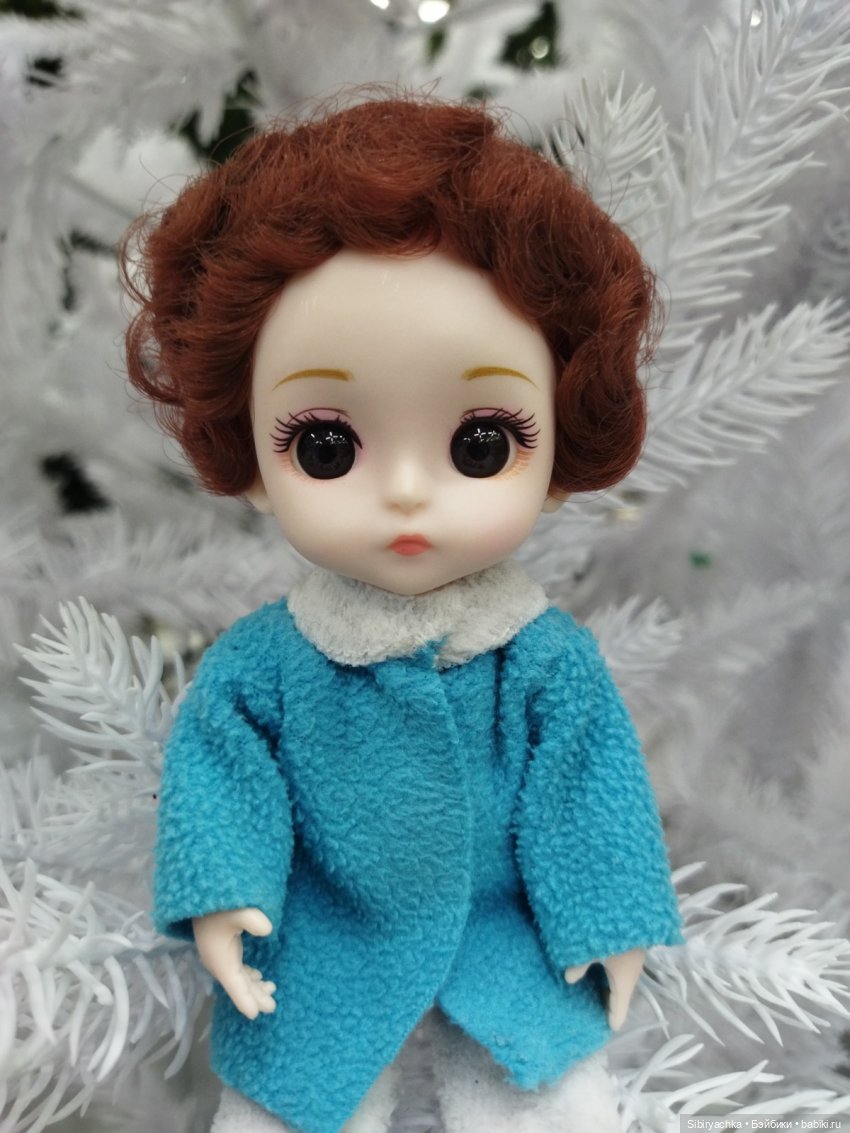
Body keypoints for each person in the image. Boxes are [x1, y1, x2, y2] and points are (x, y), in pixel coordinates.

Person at [124, 95, 682, 1133]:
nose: (409, 494)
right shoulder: (265, 666)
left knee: (553, 1102)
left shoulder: (542, 659)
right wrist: (225, 892)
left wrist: (610, 917)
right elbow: (221, 772)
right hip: (325, 943)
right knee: (287, 1104)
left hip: (506, 941)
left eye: (481, 441)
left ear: (560, 450)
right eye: (327, 446)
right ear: (250, 456)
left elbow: (589, 785)